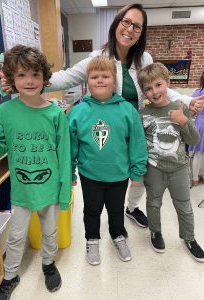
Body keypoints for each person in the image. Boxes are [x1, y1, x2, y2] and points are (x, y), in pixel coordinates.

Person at [0, 3, 204, 229]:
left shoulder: (144, 59)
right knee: (107, 176)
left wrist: (187, 101)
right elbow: (65, 78)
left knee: (140, 171)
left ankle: (132, 207)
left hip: (136, 125)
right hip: (107, 127)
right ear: (117, 23)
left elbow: (161, 86)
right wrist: (25, 83)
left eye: (137, 26)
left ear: (141, 33)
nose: (130, 29)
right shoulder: (97, 58)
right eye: (126, 22)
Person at [0, 45, 71, 299]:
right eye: (21, 75)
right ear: (11, 79)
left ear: (44, 78)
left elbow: (63, 155)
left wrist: (65, 191)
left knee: (50, 233)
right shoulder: (5, 112)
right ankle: (10, 276)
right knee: (16, 237)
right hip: (21, 190)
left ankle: (48, 264)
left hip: (50, 189)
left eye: (35, 74)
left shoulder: (55, 113)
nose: (29, 81)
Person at [67, 55, 147, 265]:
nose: (100, 80)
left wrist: (137, 171)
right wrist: (70, 171)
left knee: (116, 209)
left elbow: (137, 143)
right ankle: (92, 239)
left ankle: (118, 235)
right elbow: (70, 145)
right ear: (87, 82)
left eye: (105, 76)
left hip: (119, 174)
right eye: (94, 77)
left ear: (114, 81)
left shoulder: (127, 110)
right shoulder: (77, 112)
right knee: (91, 210)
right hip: (90, 174)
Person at [138, 62, 204, 262]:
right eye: (148, 88)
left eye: (158, 85)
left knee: (184, 206)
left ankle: (190, 238)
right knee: (153, 203)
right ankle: (155, 232)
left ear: (167, 82)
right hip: (154, 169)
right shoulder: (143, 114)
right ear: (143, 92)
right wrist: (139, 169)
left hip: (179, 169)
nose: (154, 91)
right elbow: (139, 145)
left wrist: (183, 121)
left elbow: (194, 140)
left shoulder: (181, 107)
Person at [188, 71, 204, 186]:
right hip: (200, 123)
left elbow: (190, 111)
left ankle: (194, 179)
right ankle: (201, 175)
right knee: (199, 153)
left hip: (199, 124)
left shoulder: (197, 92)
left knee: (197, 153)